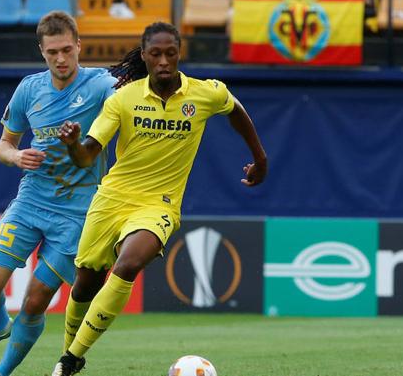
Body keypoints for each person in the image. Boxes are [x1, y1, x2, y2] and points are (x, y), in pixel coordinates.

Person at [50, 21, 268, 376]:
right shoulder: (123, 98)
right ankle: (69, 354)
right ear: (145, 55)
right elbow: (87, 155)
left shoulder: (204, 93)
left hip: (159, 204)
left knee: (128, 264)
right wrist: (73, 144)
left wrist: (260, 158)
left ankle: (69, 359)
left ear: (179, 53)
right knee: (87, 281)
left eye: (171, 53)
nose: (164, 61)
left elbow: (235, 111)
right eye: (156, 54)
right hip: (112, 199)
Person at [0, 11, 123, 376]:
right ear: (42, 52)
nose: (61, 59)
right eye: (52, 53)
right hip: (31, 202)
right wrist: (16, 155)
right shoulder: (29, 90)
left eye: (67, 50)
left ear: (79, 46)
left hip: (77, 216)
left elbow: (135, 102)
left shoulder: (101, 85)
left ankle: (1, 373)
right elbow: (3, 144)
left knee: (34, 304)